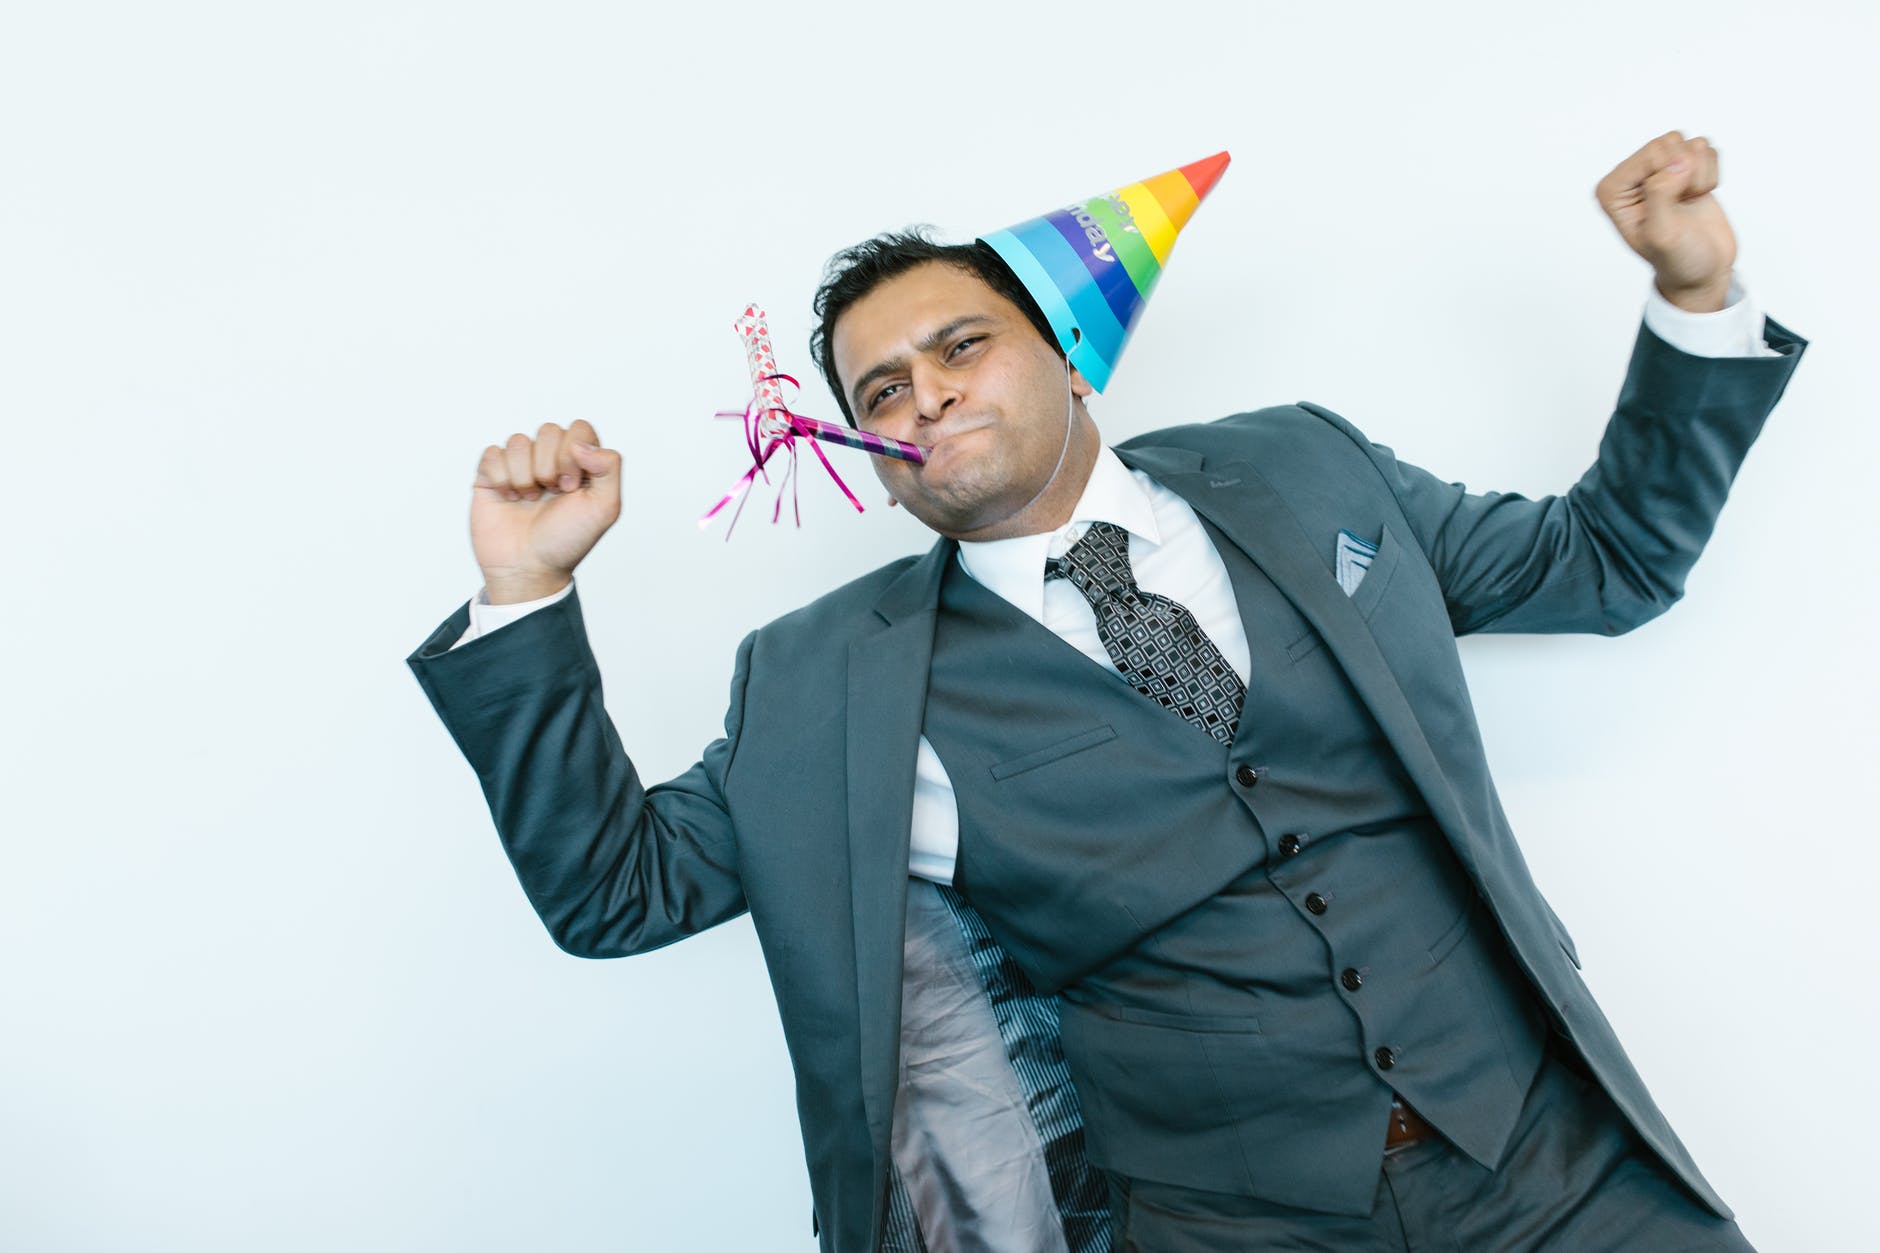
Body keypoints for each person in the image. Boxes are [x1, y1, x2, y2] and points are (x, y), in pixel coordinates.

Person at [407, 132, 1805, 1251]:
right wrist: (527, 590)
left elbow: (1611, 561)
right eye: (878, 390)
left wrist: (1694, 292)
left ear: (1069, 354)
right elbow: (618, 891)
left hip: (1557, 1168)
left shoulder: (1305, 468)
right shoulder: (831, 683)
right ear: (863, 451)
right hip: (1224, 1223)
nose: (924, 397)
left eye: (963, 345)